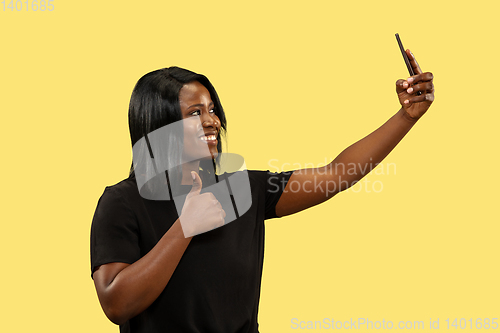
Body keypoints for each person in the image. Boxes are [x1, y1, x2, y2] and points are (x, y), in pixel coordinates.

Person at [90, 50, 434, 332]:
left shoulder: (241, 189)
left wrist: (406, 117)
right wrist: (185, 227)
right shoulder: (123, 202)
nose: (212, 121)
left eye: (212, 110)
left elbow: (337, 174)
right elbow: (116, 303)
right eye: (195, 113)